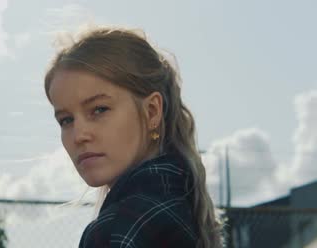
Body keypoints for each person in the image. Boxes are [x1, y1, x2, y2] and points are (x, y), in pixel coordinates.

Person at [43, 27, 223, 248]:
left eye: (99, 109)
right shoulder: (181, 208)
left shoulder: (124, 225)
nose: (79, 136)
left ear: (152, 112)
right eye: (66, 120)